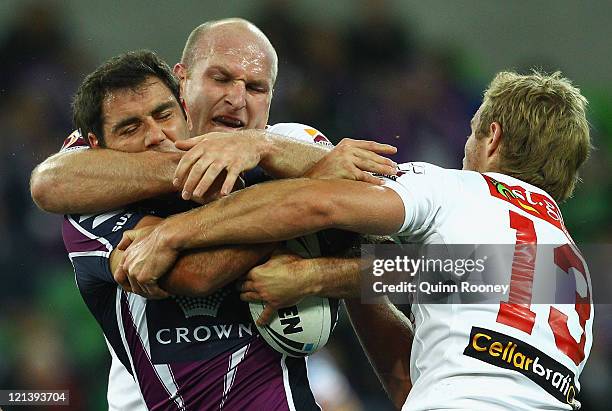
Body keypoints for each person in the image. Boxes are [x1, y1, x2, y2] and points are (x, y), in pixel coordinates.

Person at [118, 70, 593, 410]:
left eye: (470, 135)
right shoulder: (571, 267)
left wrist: (172, 233)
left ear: (492, 137)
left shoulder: (459, 188)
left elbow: (317, 203)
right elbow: (445, 280)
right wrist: (325, 270)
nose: (464, 150)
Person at [32, 18, 396, 410]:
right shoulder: (109, 168)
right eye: (221, 79)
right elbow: (48, 183)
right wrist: (295, 200)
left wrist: (315, 274)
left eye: (256, 88)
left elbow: (435, 269)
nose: (237, 100)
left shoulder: (294, 147)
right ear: (182, 83)